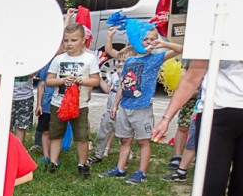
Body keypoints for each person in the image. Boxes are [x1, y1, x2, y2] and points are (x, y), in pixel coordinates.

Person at [152, 0, 243, 196]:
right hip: (218, 113)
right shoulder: (220, 20)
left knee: (241, 191)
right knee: (211, 185)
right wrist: (166, 117)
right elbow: (193, 76)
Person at [101, 26, 182, 184]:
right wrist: (115, 105)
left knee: (143, 141)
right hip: (125, 106)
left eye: (153, 38)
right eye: (146, 39)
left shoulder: (155, 58)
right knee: (125, 139)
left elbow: (180, 49)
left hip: (142, 108)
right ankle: (120, 169)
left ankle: (141, 172)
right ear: (137, 41)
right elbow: (123, 85)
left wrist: (164, 44)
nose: (150, 42)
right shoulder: (129, 60)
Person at [43, 22, 100, 177]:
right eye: (66, 40)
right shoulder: (58, 59)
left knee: (82, 136)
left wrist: (81, 81)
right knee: (56, 134)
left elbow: (96, 80)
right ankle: (53, 162)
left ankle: (82, 164)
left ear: (83, 40)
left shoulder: (89, 59)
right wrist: (62, 81)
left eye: (73, 40)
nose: (69, 44)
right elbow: (49, 80)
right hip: (58, 103)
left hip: (79, 105)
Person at [89, 34, 122, 165]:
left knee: (123, 136)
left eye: (123, 63)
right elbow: (108, 90)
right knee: (103, 132)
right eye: (119, 63)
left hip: (122, 111)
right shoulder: (114, 76)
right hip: (109, 110)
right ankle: (99, 154)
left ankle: (125, 154)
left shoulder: (130, 78)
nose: (120, 65)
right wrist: (99, 77)